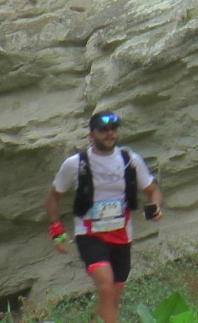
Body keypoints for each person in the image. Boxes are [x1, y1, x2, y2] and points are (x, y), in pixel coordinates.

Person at [45, 111, 164, 323]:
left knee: (112, 297)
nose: (110, 134)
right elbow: (53, 196)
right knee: (106, 286)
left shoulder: (130, 160)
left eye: (113, 129)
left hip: (121, 235)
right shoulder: (75, 163)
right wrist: (56, 230)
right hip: (90, 233)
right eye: (103, 130)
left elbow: (152, 191)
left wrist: (154, 207)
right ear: (91, 135)